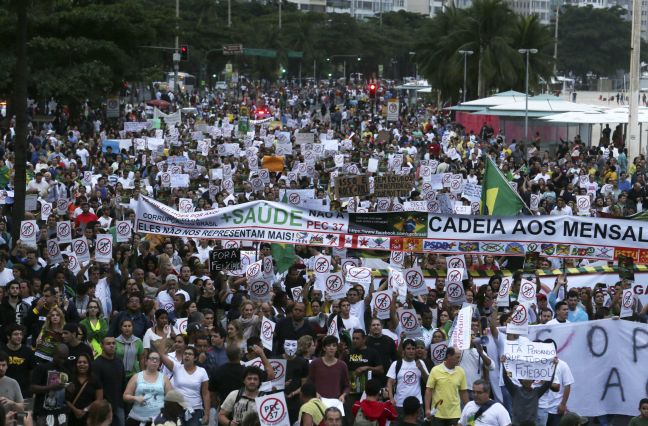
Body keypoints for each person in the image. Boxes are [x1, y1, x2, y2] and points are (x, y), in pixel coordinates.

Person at [156, 341, 210, 426]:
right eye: (185, 353)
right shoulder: (177, 367)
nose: (187, 355)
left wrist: (207, 414)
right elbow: (162, 356)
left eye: (190, 354)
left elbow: (206, 393)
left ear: (195, 358)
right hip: (177, 409)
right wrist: (165, 336)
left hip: (195, 410)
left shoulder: (202, 371)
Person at [501, 355, 558, 426]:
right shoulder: (515, 390)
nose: (527, 379)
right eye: (524, 377)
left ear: (533, 381)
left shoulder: (537, 392)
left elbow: (548, 383)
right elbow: (506, 378)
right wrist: (503, 363)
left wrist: (554, 366)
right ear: (520, 380)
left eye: (529, 377)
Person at [123, 351, 172, 426]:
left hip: (157, 421)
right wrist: (135, 398)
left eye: (157, 359)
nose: (155, 361)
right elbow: (125, 396)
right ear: (146, 361)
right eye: (152, 358)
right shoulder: (137, 376)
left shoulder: (164, 378)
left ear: (159, 363)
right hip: (137, 419)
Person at [424, 347, 469, 426]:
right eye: (457, 357)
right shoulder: (435, 370)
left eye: (460, 357)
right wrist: (427, 409)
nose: (459, 359)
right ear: (448, 356)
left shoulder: (461, 371)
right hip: (437, 414)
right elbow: (429, 390)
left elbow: (463, 392)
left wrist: (469, 409)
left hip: (455, 413)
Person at [387, 339, 429, 420]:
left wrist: (421, 369)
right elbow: (389, 382)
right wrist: (391, 399)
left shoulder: (420, 362)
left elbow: (428, 382)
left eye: (413, 349)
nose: (411, 351)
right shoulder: (396, 364)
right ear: (404, 351)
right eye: (408, 349)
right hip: (400, 404)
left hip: (417, 404)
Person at [31, 344, 71, 426]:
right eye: (60, 357)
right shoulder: (42, 368)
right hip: (43, 413)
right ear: (54, 354)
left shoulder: (66, 371)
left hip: (61, 413)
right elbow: (32, 388)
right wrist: (51, 387)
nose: (62, 361)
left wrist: (70, 388)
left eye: (65, 358)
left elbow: (67, 395)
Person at [537, 339, 574, 426]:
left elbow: (567, 385)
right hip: (540, 408)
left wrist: (563, 404)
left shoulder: (563, 365)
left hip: (556, 409)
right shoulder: (538, 365)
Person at [92, 336, 126, 426]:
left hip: (119, 405)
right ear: (101, 346)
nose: (111, 346)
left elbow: (123, 383)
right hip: (104, 407)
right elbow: (95, 388)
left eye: (113, 343)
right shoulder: (96, 364)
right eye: (108, 343)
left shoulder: (119, 362)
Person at [307, 336, 350, 403]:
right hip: (318, 401)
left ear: (336, 348)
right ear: (324, 348)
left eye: (334, 345)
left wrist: (343, 395)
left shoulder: (342, 365)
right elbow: (309, 383)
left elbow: (347, 386)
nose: (331, 348)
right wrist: (315, 393)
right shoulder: (315, 363)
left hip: (336, 403)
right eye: (328, 345)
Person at [64, 353, 103, 426]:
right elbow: (65, 398)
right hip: (72, 417)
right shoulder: (71, 379)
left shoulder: (95, 380)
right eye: (79, 362)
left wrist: (85, 410)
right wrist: (75, 410)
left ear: (89, 364)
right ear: (76, 364)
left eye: (85, 362)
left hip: (90, 417)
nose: (82, 364)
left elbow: (99, 399)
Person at [1, 324, 35, 398]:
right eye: (16, 334)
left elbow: (33, 372)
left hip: (24, 391)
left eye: (21, 334)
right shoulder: (1, 351)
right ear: (8, 336)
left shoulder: (28, 352)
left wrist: (32, 389)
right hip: (4, 389)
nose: (19, 336)